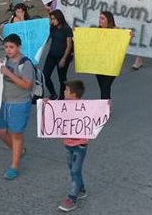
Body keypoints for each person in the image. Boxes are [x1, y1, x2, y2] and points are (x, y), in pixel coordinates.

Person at [0, 34, 35, 180]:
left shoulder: (25, 63)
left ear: (18, 47)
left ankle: (14, 166)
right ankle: (18, 151)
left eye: (11, 47)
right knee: (0, 131)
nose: (8, 50)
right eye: (6, 47)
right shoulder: (5, 60)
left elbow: (27, 85)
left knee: (16, 134)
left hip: (19, 103)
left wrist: (8, 73)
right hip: (5, 101)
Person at [56, 79, 91, 212]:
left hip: (80, 145)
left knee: (75, 170)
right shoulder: (64, 105)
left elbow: (94, 116)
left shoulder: (84, 107)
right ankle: (81, 189)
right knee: (72, 169)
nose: (64, 92)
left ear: (74, 94)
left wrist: (105, 107)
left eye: (66, 90)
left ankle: (72, 198)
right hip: (68, 144)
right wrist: (46, 105)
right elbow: (53, 113)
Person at [43, 10, 74, 100]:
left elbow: (69, 45)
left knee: (62, 78)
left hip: (62, 56)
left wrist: (64, 59)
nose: (52, 21)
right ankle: (53, 93)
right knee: (45, 75)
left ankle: (62, 97)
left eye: (53, 19)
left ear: (59, 18)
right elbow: (46, 38)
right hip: (52, 55)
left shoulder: (67, 28)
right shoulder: (52, 27)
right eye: (51, 19)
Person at [131, 0, 152, 70]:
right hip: (139, 18)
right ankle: (138, 60)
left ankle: (139, 60)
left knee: (143, 38)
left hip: (149, 18)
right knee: (138, 38)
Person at [96, 12, 119, 99]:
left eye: (102, 18)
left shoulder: (116, 30)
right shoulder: (96, 31)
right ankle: (107, 106)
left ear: (108, 20)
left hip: (111, 64)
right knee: (103, 87)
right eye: (99, 18)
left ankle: (104, 108)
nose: (100, 20)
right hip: (99, 64)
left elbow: (123, 42)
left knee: (105, 86)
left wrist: (129, 36)